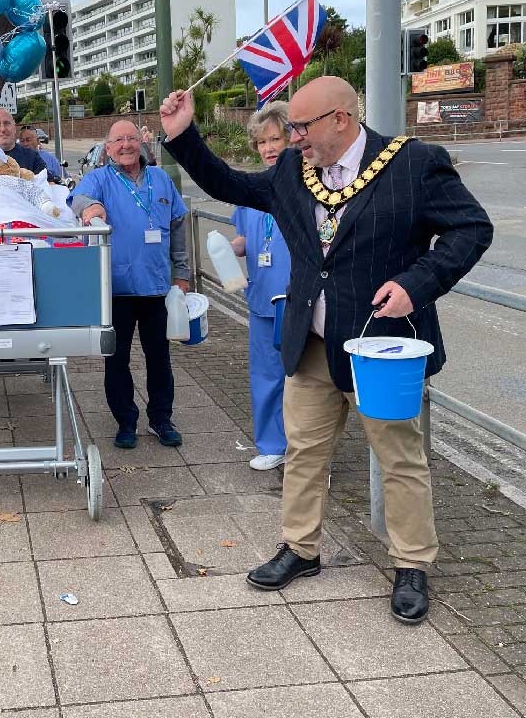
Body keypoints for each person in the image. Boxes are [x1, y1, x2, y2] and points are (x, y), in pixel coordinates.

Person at [159, 76, 493, 624]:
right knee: (304, 451)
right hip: (312, 344)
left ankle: (411, 564)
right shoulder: (295, 170)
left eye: (301, 127)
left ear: (341, 118)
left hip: (382, 348)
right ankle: (300, 548)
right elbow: (231, 185)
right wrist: (183, 136)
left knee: (400, 458)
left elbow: (472, 230)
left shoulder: (413, 163)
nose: (291, 139)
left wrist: (418, 282)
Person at [71, 120, 190, 449]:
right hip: (116, 289)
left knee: (160, 358)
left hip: (156, 288)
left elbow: (179, 228)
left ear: (142, 143)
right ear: (107, 148)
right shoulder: (99, 179)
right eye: (118, 140)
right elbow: (76, 199)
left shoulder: (161, 179)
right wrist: (89, 207)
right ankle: (126, 422)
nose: (126, 145)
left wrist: (182, 275)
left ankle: (161, 420)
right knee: (116, 360)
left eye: (132, 139)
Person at [230, 102, 292, 471]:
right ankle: (272, 444)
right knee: (267, 376)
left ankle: (309, 457)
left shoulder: (309, 185)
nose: (268, 148)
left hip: (299, 300)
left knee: (305, 384)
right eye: (262, 142)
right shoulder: (252, 190)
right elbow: (244, 239)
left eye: (275, 139)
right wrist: (228, 249)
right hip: (262, 299)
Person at [0, 108, 47, 173]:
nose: (3, 129)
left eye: (7, 123)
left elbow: (49, 181)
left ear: (14, 127)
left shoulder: (32, 157)